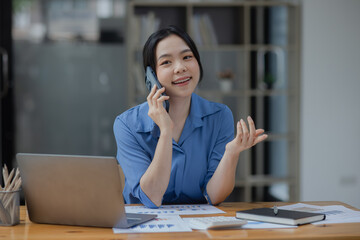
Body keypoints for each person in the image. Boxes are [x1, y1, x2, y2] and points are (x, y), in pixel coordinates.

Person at [113, 25, 267, 208]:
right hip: (142, 228)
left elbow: (215, 196)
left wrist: (231, 153)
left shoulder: (219, 116)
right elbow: (151, 197)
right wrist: (165, 130)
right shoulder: (127, 124)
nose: (180, 68)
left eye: (187, 57)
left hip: (197, 227)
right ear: (151, 76)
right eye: (166, 62)